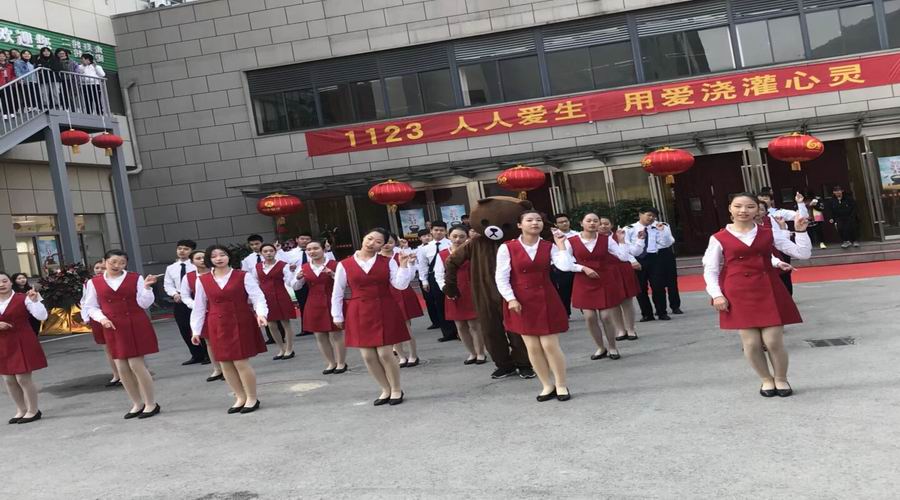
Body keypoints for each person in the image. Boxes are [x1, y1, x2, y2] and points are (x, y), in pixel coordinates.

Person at [703, 193, 811, 397]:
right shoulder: (718, 238)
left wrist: (800, 231)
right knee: (751, 344)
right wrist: (716, 295)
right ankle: (766, 379)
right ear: (730, 208)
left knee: (773, 341)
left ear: (758, 210)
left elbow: (803, 254)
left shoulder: (769, 232)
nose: (743, 210)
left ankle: (781, 378)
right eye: (738, 206)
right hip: (737, 291)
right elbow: (711, 269)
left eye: (750, 206)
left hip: (768, 288)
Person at [496, 211, 574, 402]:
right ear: (519, 225)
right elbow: (501, 276)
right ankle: (547, 385)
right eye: (529, 220)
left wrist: (562, 245)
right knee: (532, 347)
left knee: (549, 344)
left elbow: (565, 266)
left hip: (546, 297)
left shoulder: (549, 246)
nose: (535, 223)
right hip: (520, 301)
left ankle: (561, 384)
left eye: (538, 220)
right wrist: (510, 298)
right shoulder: (507, 247)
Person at [331, 228, 414, 406]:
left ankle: (396, 388)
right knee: (368, 356)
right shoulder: (344, 264)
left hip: (384, 307)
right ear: (363, 238)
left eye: (378, 242)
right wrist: (336, 314)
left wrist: (403, 265)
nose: (371, 243)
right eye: (369, 238)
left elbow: (400, 285)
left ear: (382, 245)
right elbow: (337, 291)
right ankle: (385, 389)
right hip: (359, 310)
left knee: (385, 353)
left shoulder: (387, 261)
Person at [82, 250, 161, 419]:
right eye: (113, 262)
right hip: (112, 326)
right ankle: (137, 403)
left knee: (136, 364)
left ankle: (151, 403)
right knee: (121, 367)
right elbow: (91, 306)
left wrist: (147, 288)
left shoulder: (135, 278)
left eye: (122, 263)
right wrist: (102, 319)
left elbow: (144, 303)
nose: (117, 266)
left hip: (134, 323)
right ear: (104, 261)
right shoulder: (94, 282)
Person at [190, 245, 268, 414]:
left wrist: (261, 314)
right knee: (225, 363)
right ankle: (240, 397)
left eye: (222, 255)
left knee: (240, 361)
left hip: (240, 321)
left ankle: (252, 398)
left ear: (229, 257)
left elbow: (257, 297)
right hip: (217, 323)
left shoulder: (242, 275)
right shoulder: (202, 280)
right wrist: (196, 330)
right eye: (214, 256)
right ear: (209, 260)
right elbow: (199, 306)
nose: (219, 258)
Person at [563, 213, 635, 360]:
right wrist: (583, 268)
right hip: (583, 280)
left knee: (606, 316)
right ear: (581, 223)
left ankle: (612, 347)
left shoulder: (606, 240)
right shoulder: (571, 241)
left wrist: (622, 241)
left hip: (604, 279)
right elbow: (566, 263)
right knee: (589, 317)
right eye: (588, 221)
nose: (592, 223)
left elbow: (623, 257)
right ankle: (600, 347)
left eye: (595, 221)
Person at [0, 272, 49, 424]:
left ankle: (33, 410)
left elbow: (42, 316)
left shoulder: (24, 298)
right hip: (2, 343)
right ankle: (21, 409)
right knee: (8, 379)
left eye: (4, 281)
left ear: (11, 282)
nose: (1, 284)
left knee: (22, 378)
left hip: (22, 340)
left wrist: (35, 301)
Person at [434, 225, 487, 365]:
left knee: (474, 324)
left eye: (462, 236)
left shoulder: (473, 252)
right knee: (460, 326)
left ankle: (481, 353)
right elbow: (439, 275)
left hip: (472, 291)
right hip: (453, 292)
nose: (458, 239)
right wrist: (447, 290)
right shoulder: (442, 254)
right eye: (455, 236)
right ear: (449, 236)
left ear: (467, 237)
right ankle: (472, 353)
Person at [291, 240, 346, 375]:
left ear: (323, 249)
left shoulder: (335, 265)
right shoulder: (304, 267)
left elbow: (345, 283)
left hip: (332, 300)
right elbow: (295, 287)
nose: (312, 252)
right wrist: (298, 278)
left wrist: (332, 274)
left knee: (336, 333)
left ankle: (341, 362)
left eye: (316, 248)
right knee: (320, 335)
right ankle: (330, 362)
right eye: (309, 249)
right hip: (313, 302)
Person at [179, 250, 223, 383]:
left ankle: (229, 368)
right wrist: (196, 305)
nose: (202, 260)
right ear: (192, 262)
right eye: (198, 258)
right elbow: (185, 296)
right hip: (202, 311)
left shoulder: (217, 272)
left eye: (204, 257)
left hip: (219, 309)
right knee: (209, 341)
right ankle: (217, 369)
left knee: (223, 339)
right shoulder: (189, 277)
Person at [163, 239, 208, 365]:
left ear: (192, 251)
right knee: (184, 328)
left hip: (196, 296)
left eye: (186, 249)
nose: (182, 251)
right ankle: (196, 355)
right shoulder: (171, 268)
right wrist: (174, 294)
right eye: (180, 248)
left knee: (200, 326)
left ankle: (208, 354)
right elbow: (168, 284)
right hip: (179, 300)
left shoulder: (196, 265)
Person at [380, 234, 423, 368]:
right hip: (385, 295)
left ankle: (413, 355)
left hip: (401, 292)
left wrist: (410, 263)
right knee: (392, 327)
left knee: (405, 326)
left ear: (395, 243)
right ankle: (401, 356)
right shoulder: (376, 259)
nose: (386, 245)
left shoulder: (401, 255)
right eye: (383, 242)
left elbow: (410, 276)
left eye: (390, 242)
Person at [624, 207, 674, 321]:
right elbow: (625, 247)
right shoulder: (629, 229)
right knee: (641, 288)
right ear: (640, 215)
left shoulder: (659, 226)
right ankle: (647, 314)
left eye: (653, 216)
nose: (651, 218)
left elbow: (667, 243)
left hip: (654, 258)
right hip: (638, 259)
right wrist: (632, 261)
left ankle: (662, 312)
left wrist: (662, 232)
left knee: (658, 286)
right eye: (649, 215)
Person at [598, 217, 642, 342]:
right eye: (600, 224)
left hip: (623, 269)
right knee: (613, 303)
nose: (603, 226)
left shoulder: (620, 235)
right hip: (606, 272)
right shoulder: (594, 239)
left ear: (611, 225)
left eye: (606, 223)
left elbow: (630, 251)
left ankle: (631, 329)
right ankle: (620, 329)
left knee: (627, 302)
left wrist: (634, 259)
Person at [79, 260, 122, 387]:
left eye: (102, 268)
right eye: (97, 267)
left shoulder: (114, 281)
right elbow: (85, 302)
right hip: (97, 318)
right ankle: (116, 374)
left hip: (113, 315)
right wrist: (86, 317)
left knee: (119, 346)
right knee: (107, 348)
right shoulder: (89, 283)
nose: (99, 270)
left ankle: (126, 374)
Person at [416, 221, 458, 342]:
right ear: (431, 231)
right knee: (440, 304)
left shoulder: (451, 244)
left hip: (451, 276)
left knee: (455, 302)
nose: (438, 232)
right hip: (434, 278)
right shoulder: (425, 248)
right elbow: (423, 266)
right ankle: (448, 333)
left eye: (441, 230)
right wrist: (424, 281)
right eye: (436, 230)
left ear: (446, 231)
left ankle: (459, 331)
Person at [255, 243, 296, 360]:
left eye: (271, 251)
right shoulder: (258, 266)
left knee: (285, 322)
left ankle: (289, 348)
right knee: (271, 324)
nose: (268, 253)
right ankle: (281, 348)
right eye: (265, 251)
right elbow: (255, 281)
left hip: (281, 295)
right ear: (261, 253)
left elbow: (289, 281)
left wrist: (293, 273)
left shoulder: (283, 265)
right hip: (265, 297)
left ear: (275, 252)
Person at [551, 213, 579, 317]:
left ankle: (586, 310)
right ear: (555, 224)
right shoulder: (552, 236)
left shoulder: (577, 234)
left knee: (580, 288)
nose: (564, 223)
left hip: (575, 263)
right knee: (564, 291)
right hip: (560, 266)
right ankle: (565, 313)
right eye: (561, 222)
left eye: (566, 221)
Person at [0, 51, 16, 119]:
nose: (1, 57)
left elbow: (13, 74)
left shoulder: (10, 65)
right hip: (1, 84)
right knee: (3, 99)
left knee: (10, 98)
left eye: (3, 56)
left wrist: (12, 81)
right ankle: (4, 113)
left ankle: (12, 112)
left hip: (9, 83)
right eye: (0, 56)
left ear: (5, 57)